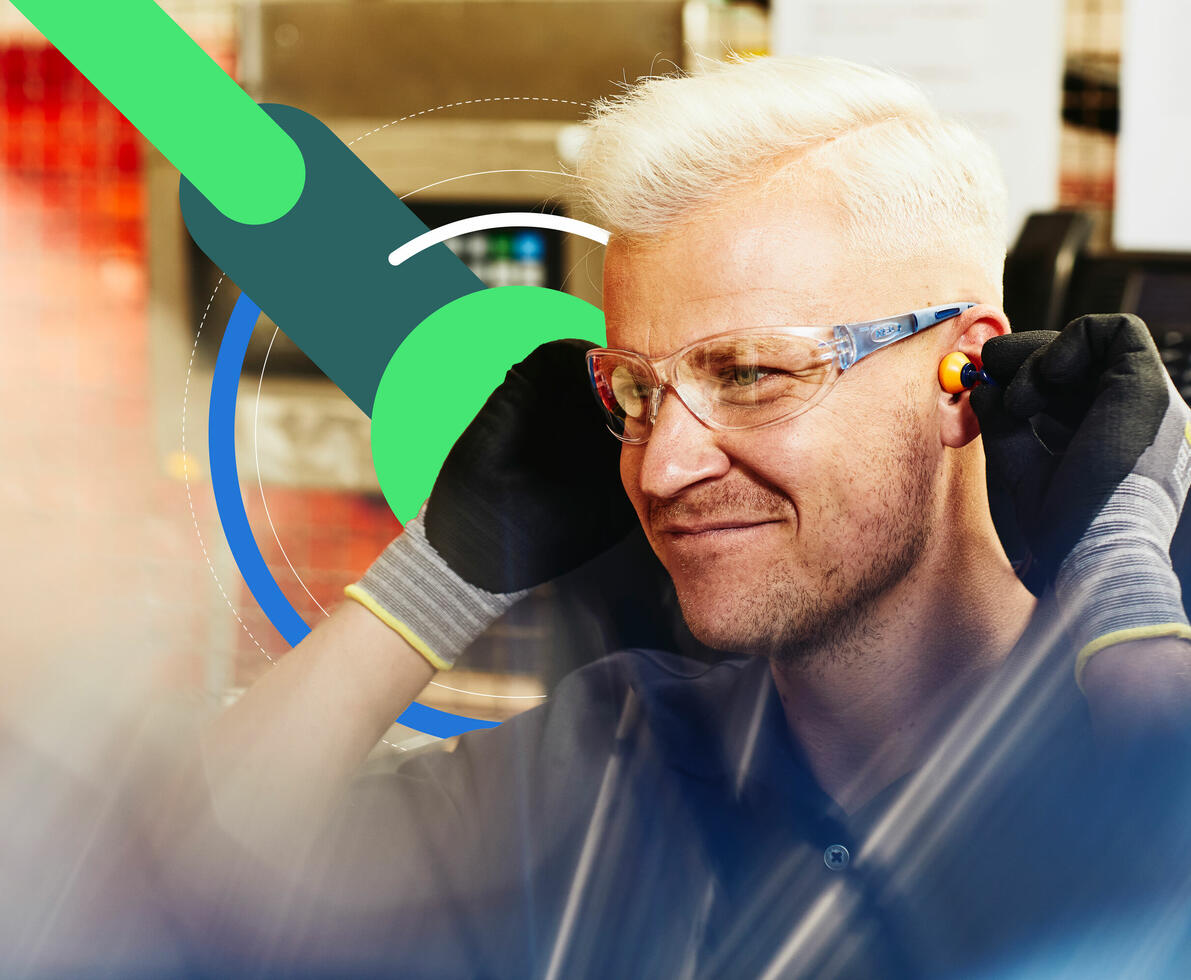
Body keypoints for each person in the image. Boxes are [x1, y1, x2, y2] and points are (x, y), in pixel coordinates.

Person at [179, 57, 1191, 977]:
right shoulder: (600, 765)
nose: (660, 464)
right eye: (635, 391)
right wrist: (444, 574)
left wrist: (1120, 580)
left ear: (960, 373)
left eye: (749, 371)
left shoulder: (1116, 752)